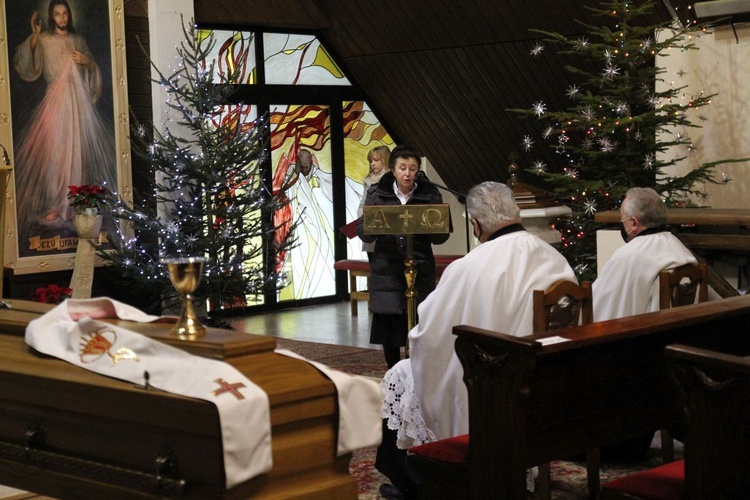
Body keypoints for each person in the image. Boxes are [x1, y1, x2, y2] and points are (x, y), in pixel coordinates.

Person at [375, 181, 576, 498]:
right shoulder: (553, 258)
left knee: (400, 373)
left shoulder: (469, 267)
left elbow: (428, 336)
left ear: (476, 225)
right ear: (515, 211)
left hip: (494, 389)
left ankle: (416, 481)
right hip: (545, 385)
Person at [13, 0, 116, 238]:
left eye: (65, 14)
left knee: (77, 151)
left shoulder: (78, 41)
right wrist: (35, 36)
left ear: (69, 15)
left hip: (76, 101)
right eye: (57, 14)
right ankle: (54, 204)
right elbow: (27, 64)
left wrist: (87, 62)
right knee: (55, 154)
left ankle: (73, 206)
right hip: (55, 101)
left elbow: (92, 69)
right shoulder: (45, 40)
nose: (61, 19)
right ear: (52, 17)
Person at [357, 145, 448, 369]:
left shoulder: (429, 193)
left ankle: (419, 373)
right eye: (402, 168)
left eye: (412, 168)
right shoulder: (377, 193)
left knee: (419, 323)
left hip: (420, 266)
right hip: (387, 267)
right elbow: (363, 230)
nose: (407, 173)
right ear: (393, 169)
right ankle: (394, 372)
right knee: (390, 326)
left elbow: (440, 236)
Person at [593, 187, 697, 322]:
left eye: (623, 219)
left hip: (647, 335)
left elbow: (600, 303)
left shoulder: (628, 256)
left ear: (634, 223)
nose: (621, 223)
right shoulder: (678, 246)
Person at [272, 145, 361, 300]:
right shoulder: (293, 173)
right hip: (301, 223)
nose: (306, 170)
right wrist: (296, 174)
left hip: (322, 221)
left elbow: (332, 186)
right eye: (303, 166)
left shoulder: (320, 176)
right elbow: (284, 191)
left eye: (308, 166)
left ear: (312, 162)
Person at [357, 145, 390, 261]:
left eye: (376, 160)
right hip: (369, 226)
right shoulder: (368, 180)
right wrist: (361, 218)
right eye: (371, 161)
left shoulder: (390, 179)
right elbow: (363, 203)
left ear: (385, 160)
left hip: (385, 228)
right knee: (373, 261)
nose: (372, 164)